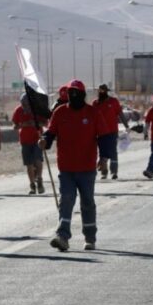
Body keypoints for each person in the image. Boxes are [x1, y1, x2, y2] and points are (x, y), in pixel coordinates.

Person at [39, 79, 108, 251]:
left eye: (76, 92)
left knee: (87, 203)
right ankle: (62, 236)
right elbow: (51, 132)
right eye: (71, 92)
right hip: (66, 167)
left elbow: (103, 137)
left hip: (87, 167)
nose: (73, 95)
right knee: (66, 201)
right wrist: (44, 141)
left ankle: (90, 237)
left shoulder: (92, 113)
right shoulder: (60, 112)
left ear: (83, 94)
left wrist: (105, 158)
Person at [12, 93, 48, 194]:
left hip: (37, 139)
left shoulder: (37, 110)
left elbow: (45, 123)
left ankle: (39, 179)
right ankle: (32, 185)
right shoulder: (18, 110)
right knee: (29, 164)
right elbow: (14, 125)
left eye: (27, 104)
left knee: (38, 160)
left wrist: (35, 123)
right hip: (24, 140)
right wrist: (22, 125)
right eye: (23, 104)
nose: (25, 106)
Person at [92, 83, 129, 180]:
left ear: (106, 91)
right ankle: (104, 172)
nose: (101, 92)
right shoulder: (95, 103)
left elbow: (120, 114)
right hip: (100, 133)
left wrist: (126, 125)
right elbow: (91, 118)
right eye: (100, 91)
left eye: (103, 90)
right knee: (103, 152)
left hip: (112, 131)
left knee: (112, 152)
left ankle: (114, 172)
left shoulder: (113, 102)